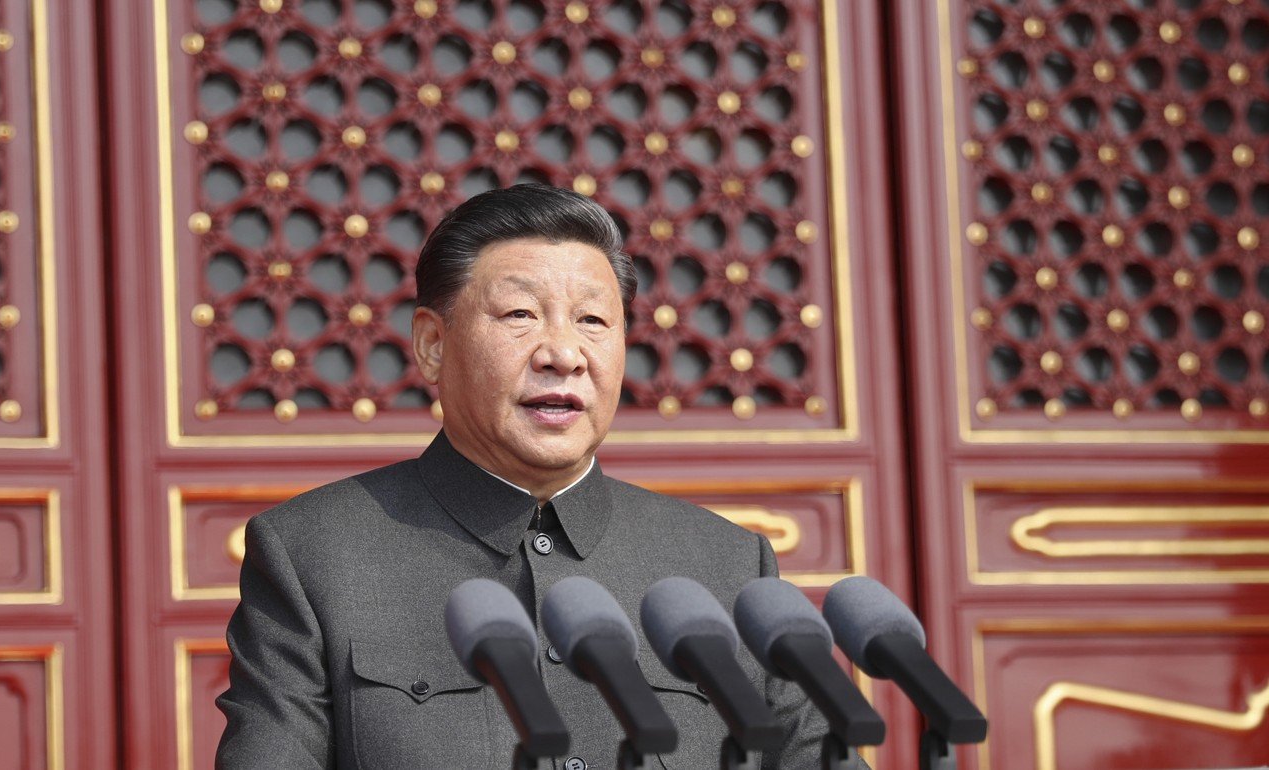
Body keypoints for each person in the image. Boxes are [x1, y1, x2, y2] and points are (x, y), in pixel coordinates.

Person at [216, 185, 861, 768]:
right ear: (432, 344)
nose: (563, 354)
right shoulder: (315, 554)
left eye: (593, 321)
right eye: (520, 316)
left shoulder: (725, 564)